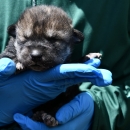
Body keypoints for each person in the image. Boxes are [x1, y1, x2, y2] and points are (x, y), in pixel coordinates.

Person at [0, 0, 130, 130]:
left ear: (74, 39)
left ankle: (48, 116)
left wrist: (101, 111)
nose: (35, 52)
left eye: (52, 40)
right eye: (26, 39)